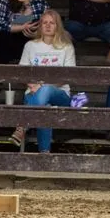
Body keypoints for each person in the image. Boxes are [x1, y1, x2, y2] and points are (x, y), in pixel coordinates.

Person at [12, 10, 76, 153]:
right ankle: (44, 155)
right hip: (33, 93)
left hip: (60, 95)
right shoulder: (30, 46)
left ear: (58, 26)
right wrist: (32, 85)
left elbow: (68, 76)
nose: (48, 26)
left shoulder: (66, 47)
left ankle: (22, 126)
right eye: (44, 22)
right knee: (44, 108)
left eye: (52, 23)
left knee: (45, 90)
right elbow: (22, 72)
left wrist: (42, 85)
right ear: (40, 25)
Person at [0, 0, 50, 65]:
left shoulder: (40, 3)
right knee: (4, 35)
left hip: (30, 39)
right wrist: (22, 21)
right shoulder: (5, 0)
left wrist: (26, 3)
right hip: (7, 41)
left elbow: (38, 22)